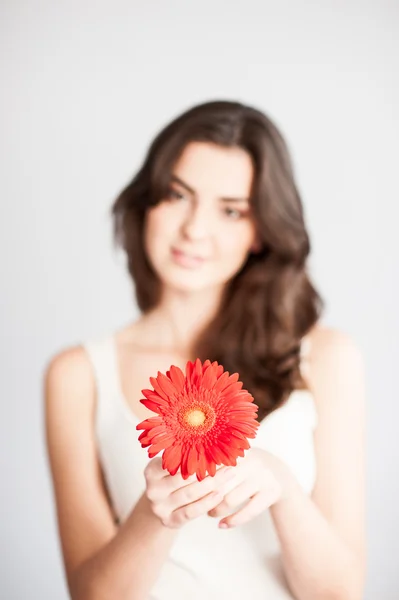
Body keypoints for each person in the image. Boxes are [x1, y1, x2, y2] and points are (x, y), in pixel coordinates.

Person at [44, 100, 366, 600]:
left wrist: (280, 484)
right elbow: (92, 595)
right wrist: (156, 514)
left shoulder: (326, 359)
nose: (194, 229)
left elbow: (340, 593)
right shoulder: (79, 374)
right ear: (147, 202)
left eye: (231, 209)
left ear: (260, 231)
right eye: (177, 195)